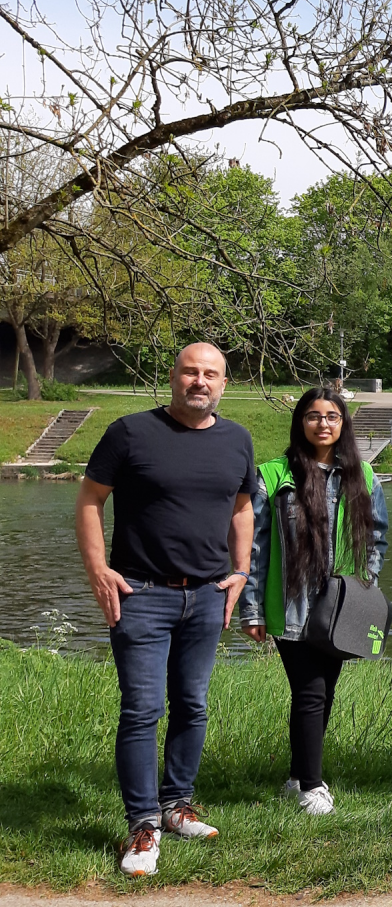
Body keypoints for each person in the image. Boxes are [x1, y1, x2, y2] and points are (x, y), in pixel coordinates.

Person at [75, 343, 257, 877]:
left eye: (210, 374)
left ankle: (177, 806)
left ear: (224, 383)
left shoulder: (237, 438)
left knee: (192, 704)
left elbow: (242, 508)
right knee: (141, 710)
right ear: (172, 377)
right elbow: (90, 500)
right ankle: (142, 825)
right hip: (140, 594)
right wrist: (97, 569)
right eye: (189, 371)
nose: (199, 381)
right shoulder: (130, 432)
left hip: (205, 594)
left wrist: (241, 571)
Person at [238, 389, 388, 816]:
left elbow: (377, 536)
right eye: (313, 416)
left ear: (343, 424)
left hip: (341, 607)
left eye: (332, 416)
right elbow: (253, 550)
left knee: (324, 692)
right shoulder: (272, 475)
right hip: (290, 605)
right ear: (300, 423)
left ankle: (297, 775)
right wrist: (251, 610)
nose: (323, 424)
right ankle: (312, 786)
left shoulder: (363, 476)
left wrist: (364, 586)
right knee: (310, 690)